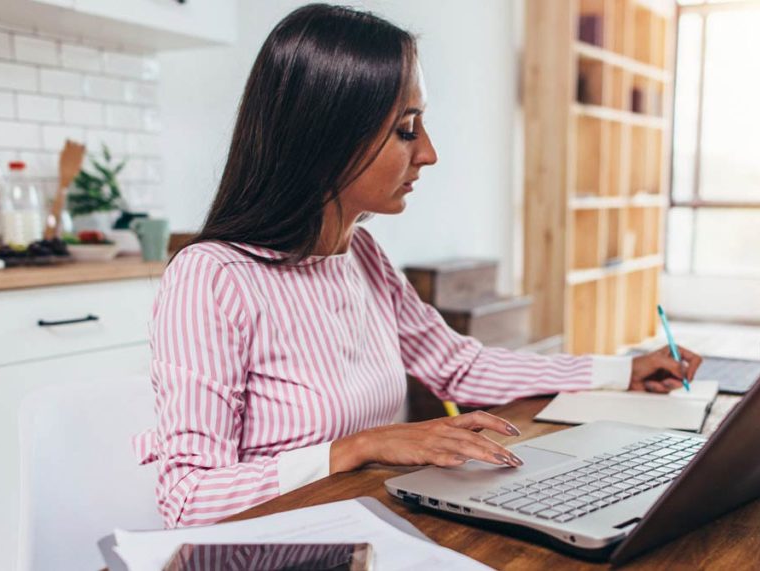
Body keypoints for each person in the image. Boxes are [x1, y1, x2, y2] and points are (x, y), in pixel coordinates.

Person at [134, 4, 702, 529]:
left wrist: (617, 371)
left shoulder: (362, 255)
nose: (427, 151)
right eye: (407, 129)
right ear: (327, 137)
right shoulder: (211, 278)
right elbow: (187, 498)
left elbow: (457, 364)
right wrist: (360, 446)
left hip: (367, 526)